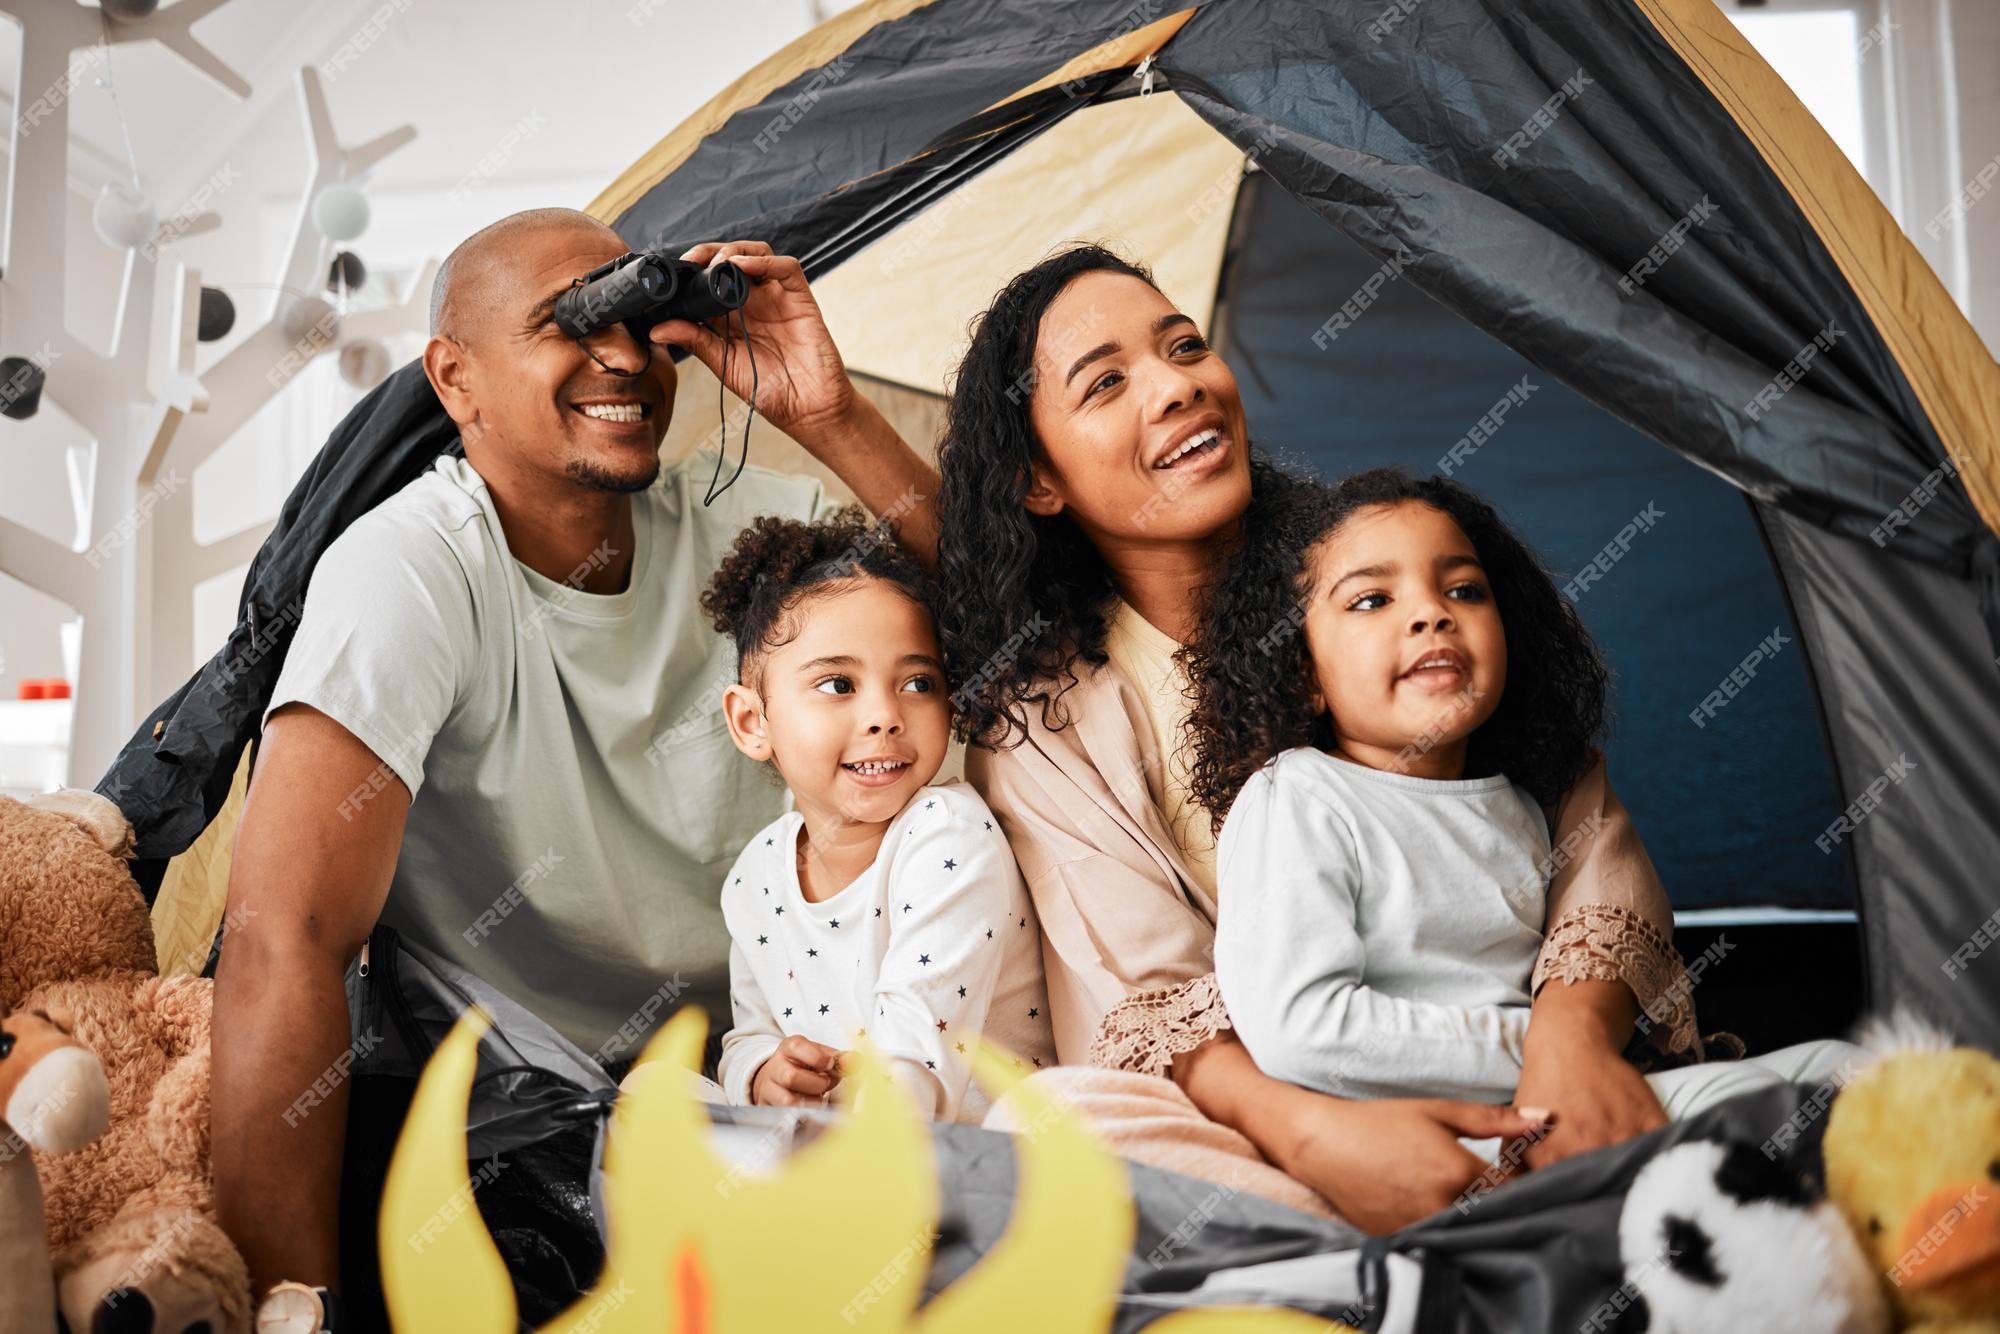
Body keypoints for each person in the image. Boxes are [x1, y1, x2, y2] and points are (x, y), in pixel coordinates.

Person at [211, 211, 938, 1303]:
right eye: (569, 324)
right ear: (456, 380)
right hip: (530, 1114)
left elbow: (1017, 634)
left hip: (771, 1068)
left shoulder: (736, 524)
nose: (622, 357)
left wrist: (827, 414)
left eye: (642, 322)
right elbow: (286, 943)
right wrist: (285, 1309)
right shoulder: (411, 568)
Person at [937, 244, 1705, 1234]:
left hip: (1505, 1058)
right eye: (1108, 382)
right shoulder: (1039, 725)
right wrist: (1314, 1135)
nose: (1175, 386)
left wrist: (1569, 1048)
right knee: (1059, 1120)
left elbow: (1581, 827)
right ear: (1037, 479)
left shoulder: (1378, 563)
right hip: (1269, 1108)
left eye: (1184, 346)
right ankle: (1409, 1235)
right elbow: (1147, 986)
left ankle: (1499, 1195)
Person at [1188, 468, 1855, 1139]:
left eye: (1464, 590)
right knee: (1787, 1105)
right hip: (1447, 1132)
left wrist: (1578, 1062)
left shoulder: (1523, 804)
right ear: (1302, 675)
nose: (1431, 613)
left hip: (1557, 1099)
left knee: (1843, 1065)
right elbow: (1301, 1028)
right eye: (1370, 601)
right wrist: (1553, 1054)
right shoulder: (1298, 796)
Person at [700, 510, 1053, 1123]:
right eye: (838, 684)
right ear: (753, 722)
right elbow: (747, 1036)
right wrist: (764, 1074)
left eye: (918, 683)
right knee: (655, 1087)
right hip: (834, 1132)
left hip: (972, 1147)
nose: (885, 715)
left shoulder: (947, 835)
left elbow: (917, 1056)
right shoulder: (754, 878)